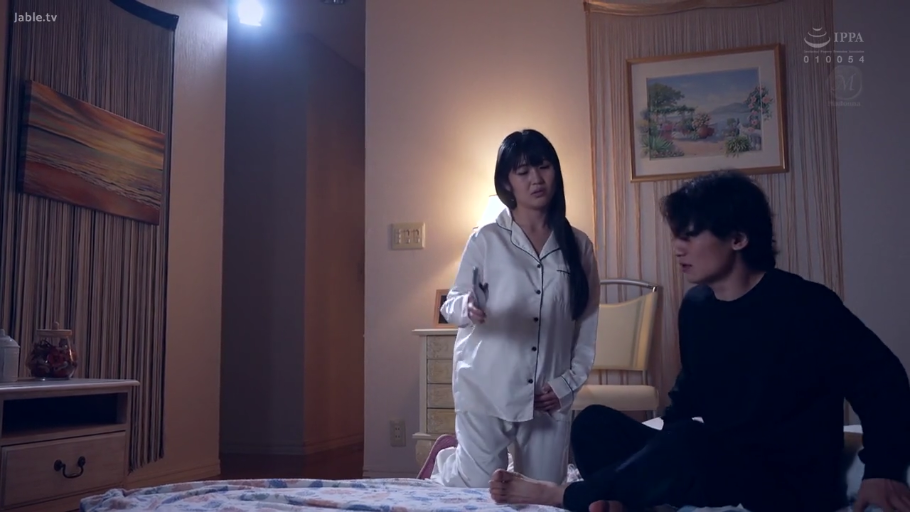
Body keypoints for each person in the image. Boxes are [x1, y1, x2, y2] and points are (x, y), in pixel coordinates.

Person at [488, 170, 910, 512]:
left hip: (787, 480)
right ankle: (626, 498)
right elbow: (690, 392)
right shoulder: (697, 306)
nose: (677, 248)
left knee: (688, 444)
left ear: (738, 238)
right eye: (676, 235)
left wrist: (883, 470)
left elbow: (884, 381)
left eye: (690, 235)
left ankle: (566, 495)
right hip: (718, 459)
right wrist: (658, 455)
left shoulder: (806, 305)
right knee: (594, 424)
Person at [420, 129, 600, 489]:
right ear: (507, 182)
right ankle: (452, 462)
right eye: (523, 171)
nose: (536, 179)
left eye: (544, 167)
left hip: (547, 396)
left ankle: (461, 458)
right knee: (478, 490)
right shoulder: (486, 239)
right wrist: (468, 307)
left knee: (540, 496)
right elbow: (452, 304)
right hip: (486, 386)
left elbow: (587, 324)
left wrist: (567, 385)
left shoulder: (578, 246)